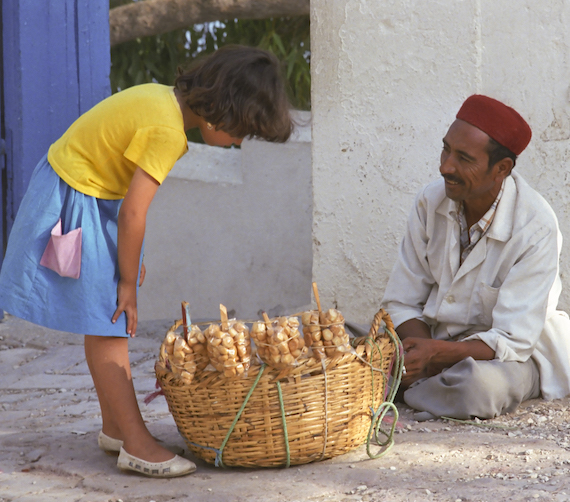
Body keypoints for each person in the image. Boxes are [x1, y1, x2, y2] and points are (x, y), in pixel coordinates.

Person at [0, 45, 293, 477]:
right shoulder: (168, 133)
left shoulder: (159, 99)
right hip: (75, 198)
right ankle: (136, 444)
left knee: (102, 319)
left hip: (79, 189)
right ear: (222, 114)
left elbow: (126, 206)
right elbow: (134, 212)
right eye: (240, 132)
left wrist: (123, 261)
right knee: (110, 319)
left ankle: (116, 428)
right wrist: (126, 286)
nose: (236, 143)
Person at [381, 94, 570, 421]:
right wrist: (419, 353)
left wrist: (430, 358)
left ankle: (401, 388)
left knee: (477, 390)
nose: (445, 167)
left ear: (501, 169)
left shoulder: (536, 227)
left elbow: (512, 340)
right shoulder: (431, 201)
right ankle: (424, 389)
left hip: (509, 358)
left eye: (463, 158)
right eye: (446, 149)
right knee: (335, 339)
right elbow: (401, 302)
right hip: (435, 344)